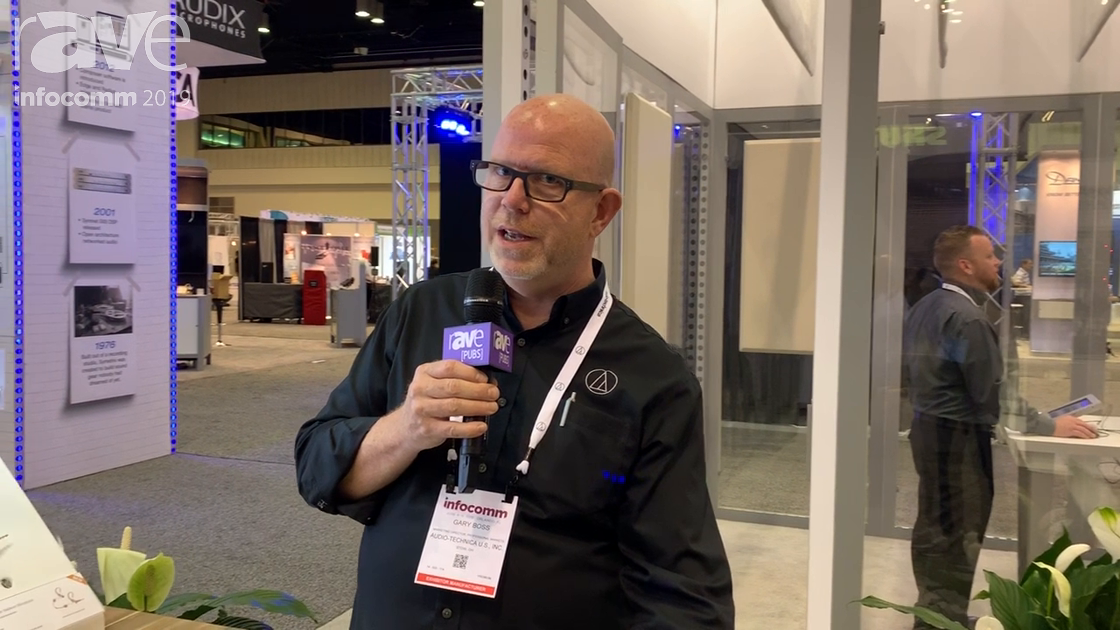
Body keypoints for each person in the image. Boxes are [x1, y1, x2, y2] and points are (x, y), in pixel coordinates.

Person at [294, 93, 734, 630]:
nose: (512, 200)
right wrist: (405, 429)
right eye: (501, 172)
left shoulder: (653, 377)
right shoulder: (421, 311)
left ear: (600, 212)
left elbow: (684, 596)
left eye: (548, 180)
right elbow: (317, 466)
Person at [902, 226, 1097, 629]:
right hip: (958, 439)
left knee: (936, 527)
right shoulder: (968, 318)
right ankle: (942, 621)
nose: (998, 262)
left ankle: (938, 614)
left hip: (929, 431)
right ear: (965, 265)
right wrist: (1048, 424)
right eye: (990, 256)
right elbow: (993, 394)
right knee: (958, 531)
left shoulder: (926, 305)